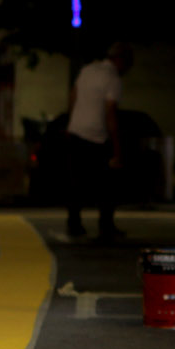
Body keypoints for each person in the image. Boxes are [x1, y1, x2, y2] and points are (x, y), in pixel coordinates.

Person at [64, 41, 134, 242]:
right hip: (97, 134)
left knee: (76, 182)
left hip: (76, 131)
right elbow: (110, 112)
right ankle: (106, 225)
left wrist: (71, 121)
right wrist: (117, 147)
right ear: (120, 61)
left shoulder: (88, 70)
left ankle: (74, 222)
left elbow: (73, 96)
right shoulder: (112, 79)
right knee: (107, 184)